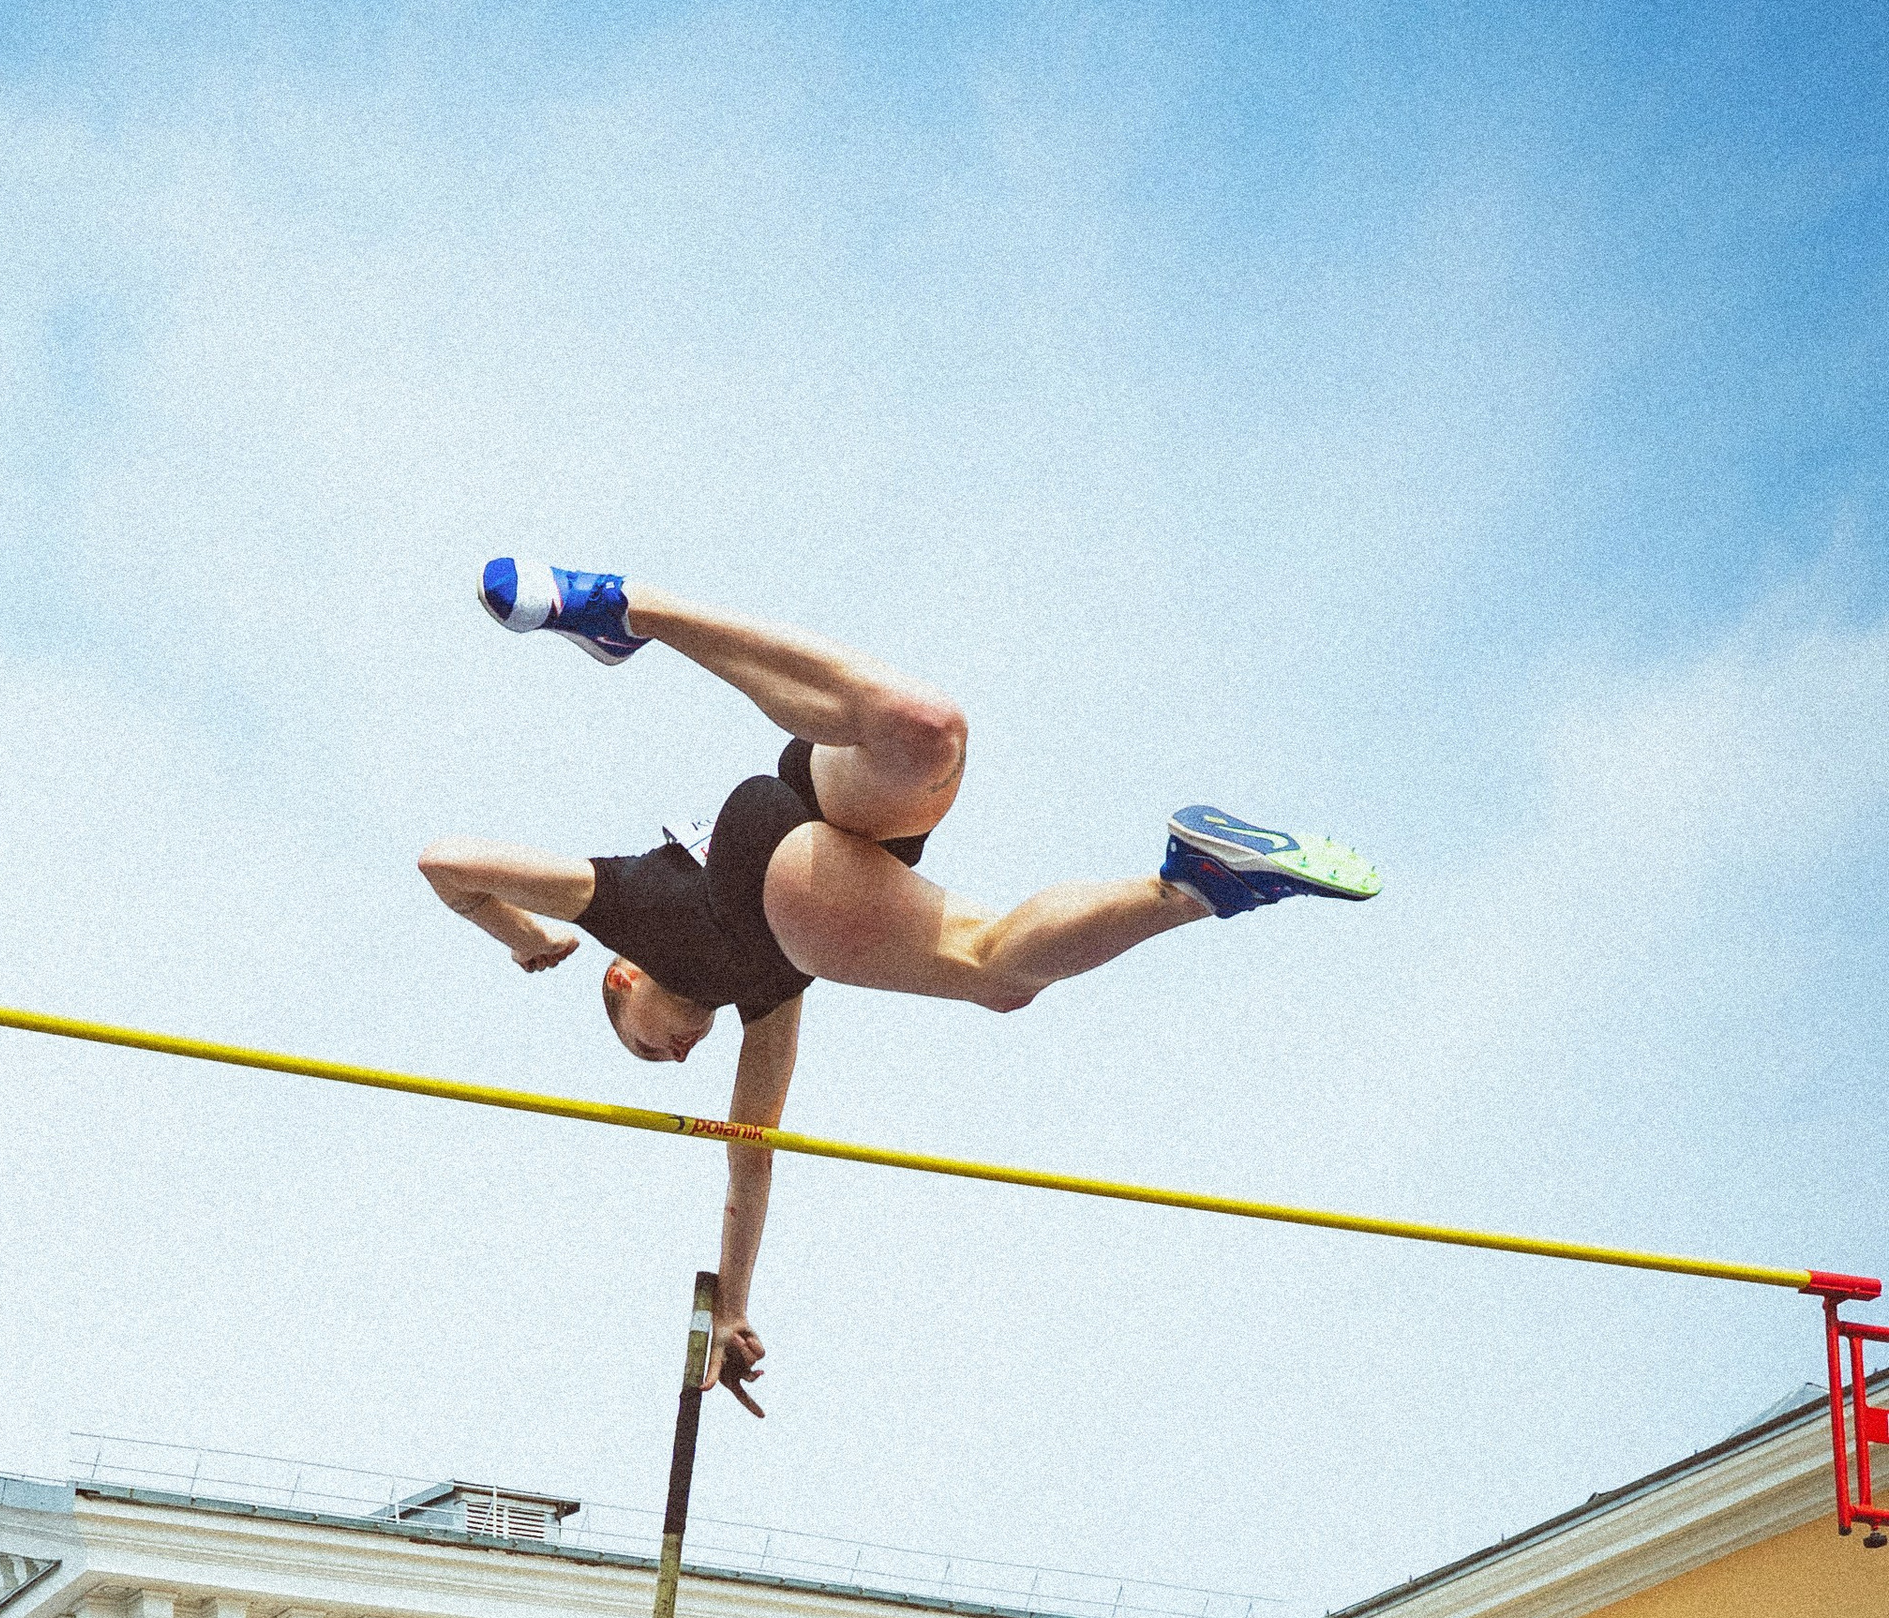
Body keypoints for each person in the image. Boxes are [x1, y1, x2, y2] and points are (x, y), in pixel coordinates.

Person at [432, 565, 1381, 1410]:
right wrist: (734, 1305)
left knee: (925, 732)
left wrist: (521, 938)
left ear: (622, 976)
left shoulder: (618, 907)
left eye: (641, 1042)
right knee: (991, 942)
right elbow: (749, 1165)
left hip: (782, 828)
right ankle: (1192, 885)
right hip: (808, 879)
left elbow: (447, 862)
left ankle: (629, 609)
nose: (672, 1055)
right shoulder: (764, 1006)